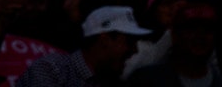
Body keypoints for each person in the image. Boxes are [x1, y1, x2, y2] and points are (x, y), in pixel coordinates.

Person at [17, 5, 152, 87]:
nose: (135, 50)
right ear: (104, 39)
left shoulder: (109, 81)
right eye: (129, 42)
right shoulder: (52, 69)